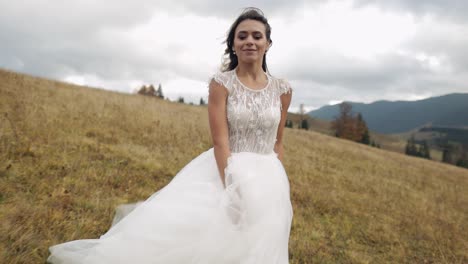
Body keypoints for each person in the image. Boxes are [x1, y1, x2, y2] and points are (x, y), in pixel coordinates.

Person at [48, 7, 293, 264]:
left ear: (268, 43)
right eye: (242, 36)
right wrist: (232, 191)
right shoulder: (222, 84)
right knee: (209, 239)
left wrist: (273, 185)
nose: (249, 42)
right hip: (227, 169)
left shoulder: (282, 89)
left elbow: (278, 142)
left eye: (256, 36)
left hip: (269, 179)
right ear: (233, 44)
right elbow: (220, 141)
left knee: (259, 244)